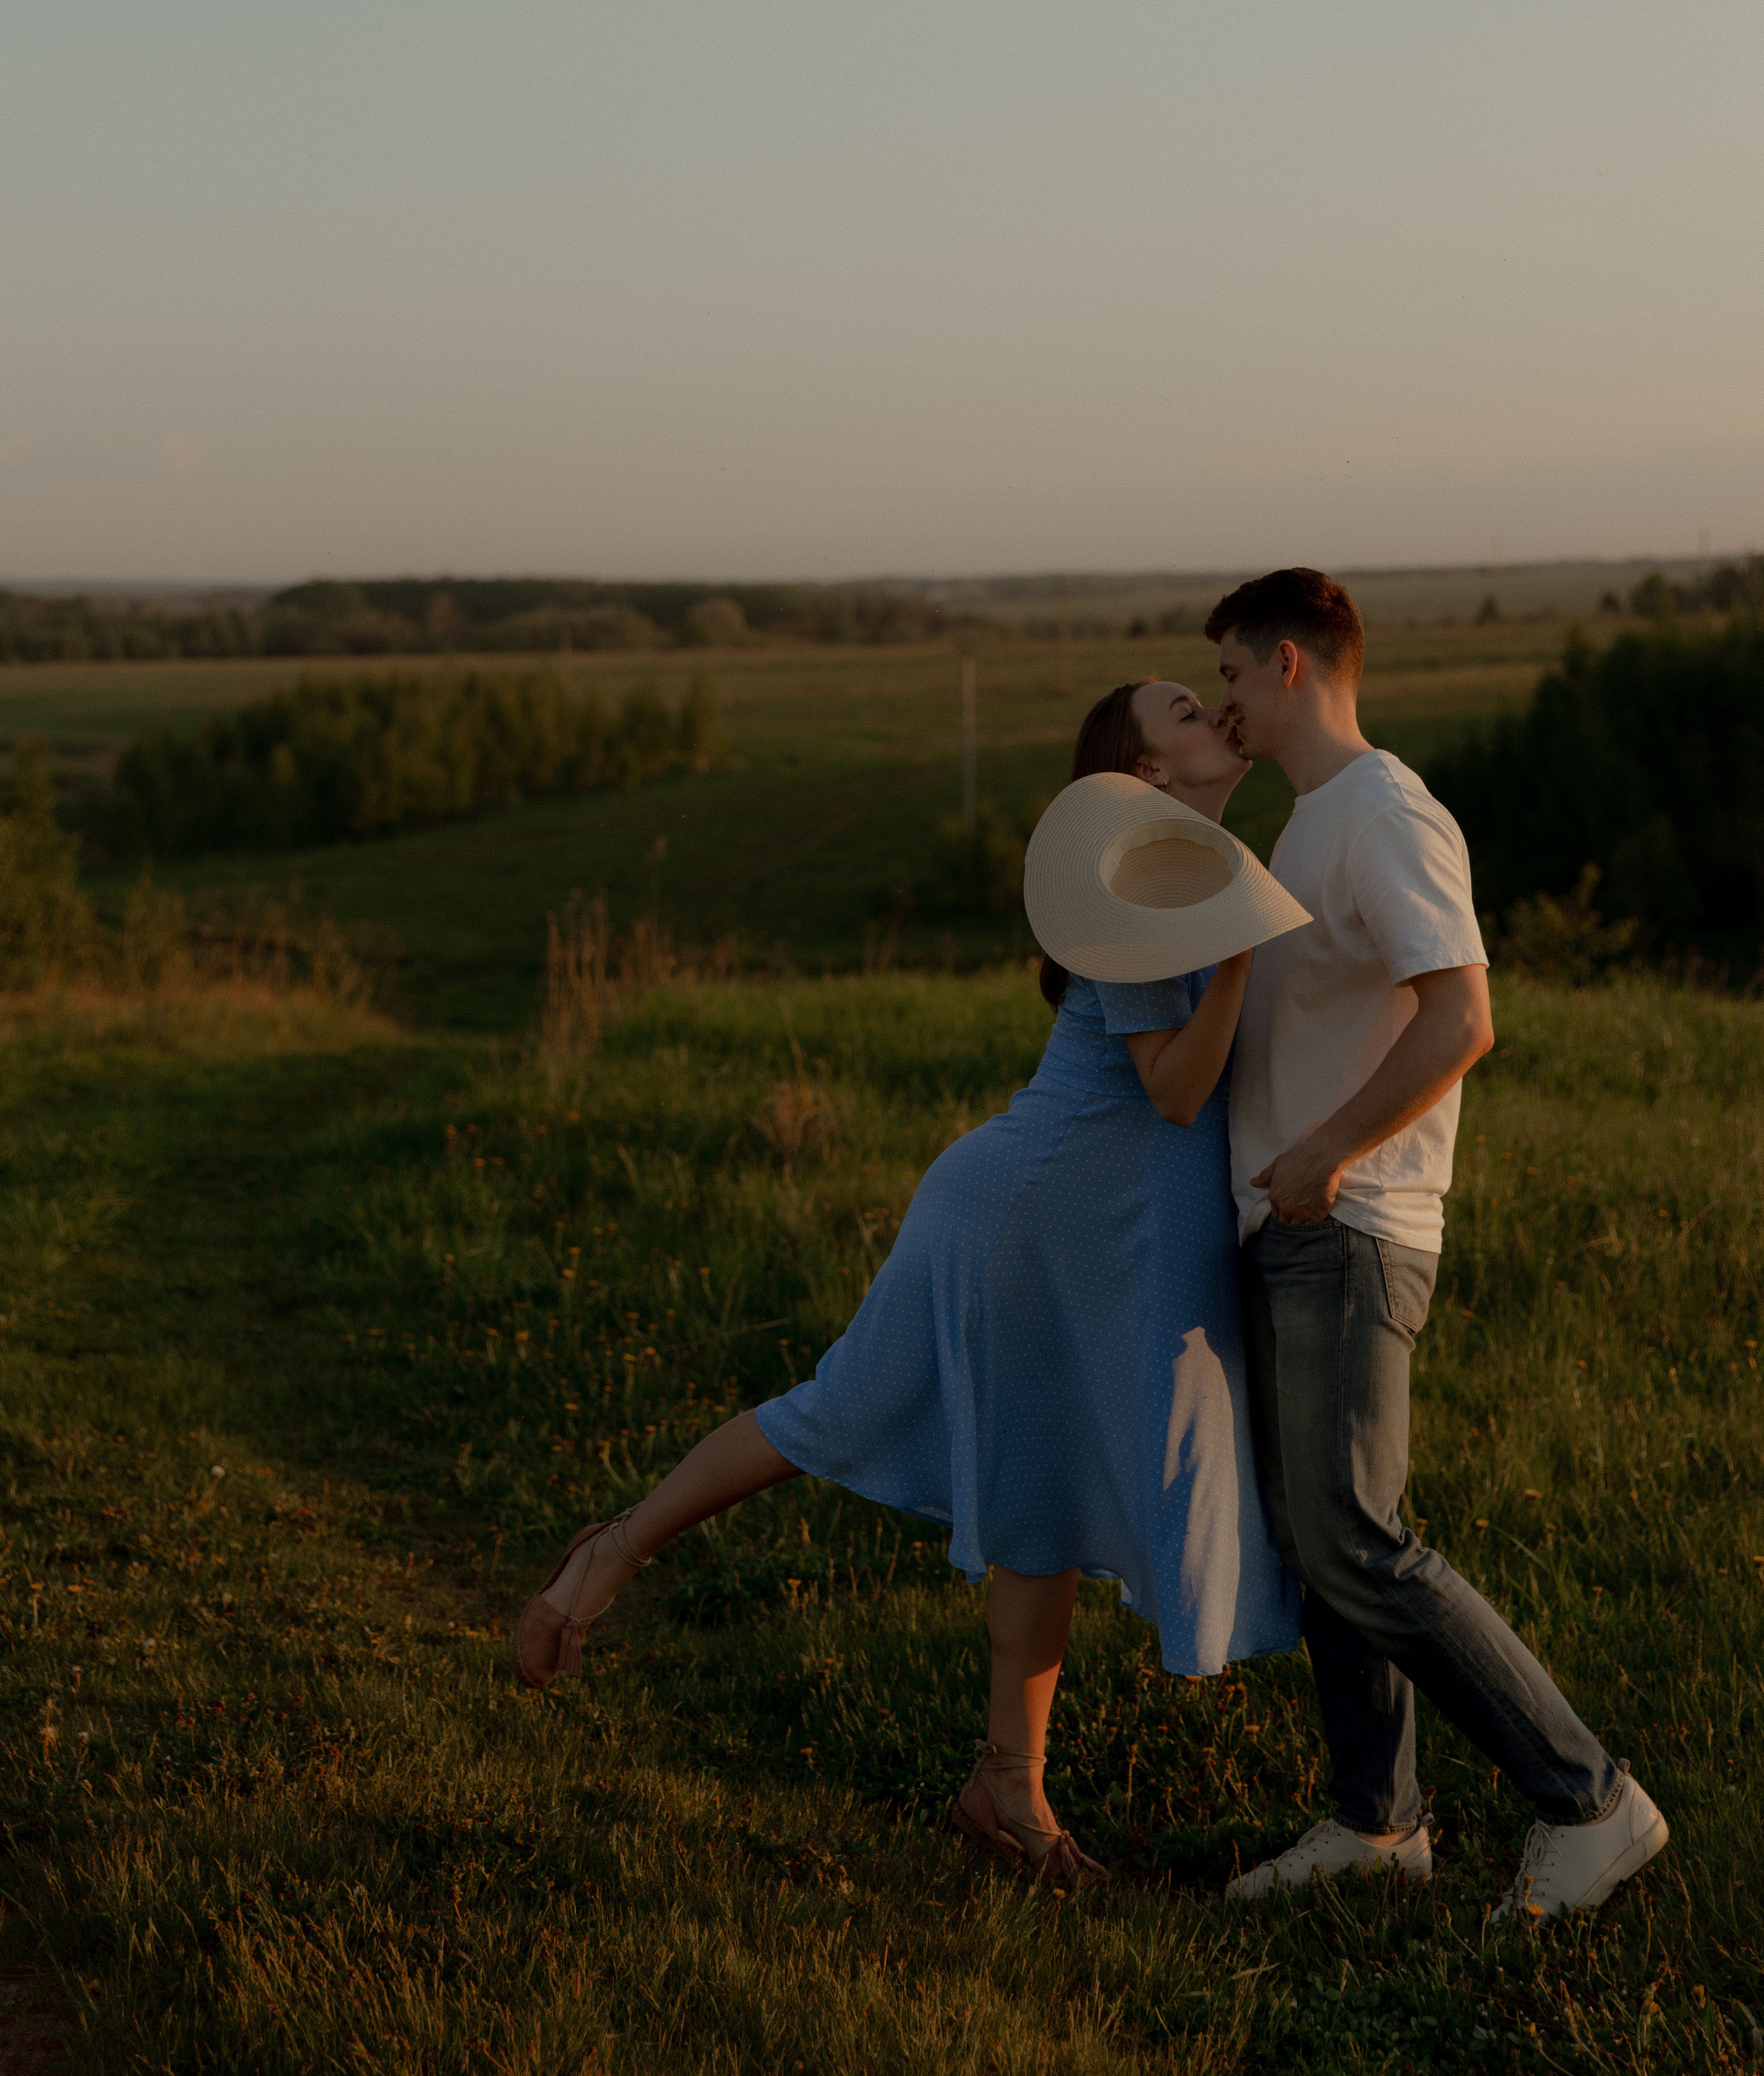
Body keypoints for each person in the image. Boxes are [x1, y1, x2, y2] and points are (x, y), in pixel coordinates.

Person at [514, 678, 1301, 1889]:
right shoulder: (1147, 875)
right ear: (1142, 777)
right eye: (1187, 712)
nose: (1216, 717)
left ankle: (1007, 1792)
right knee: (845, 1412)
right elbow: (1177, 1090)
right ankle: (610, 1551)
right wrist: (1246, 957)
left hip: (1083, 1232)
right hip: (1022, 1217)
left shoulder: (1195, 868)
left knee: (1035, 1504)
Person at [1207, 566, 1668, 1920]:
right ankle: (1376, 1819)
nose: (1223, 701)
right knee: (1315, 1536)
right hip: (1290, 1221)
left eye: (1230, 673)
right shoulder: (1305, 828)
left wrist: (1322, 1153)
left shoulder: (1382, 814)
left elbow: (1460, 1016)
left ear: (1288, 664)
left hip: (1349, 1225)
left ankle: (1587, 1800)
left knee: (1355, 1536)